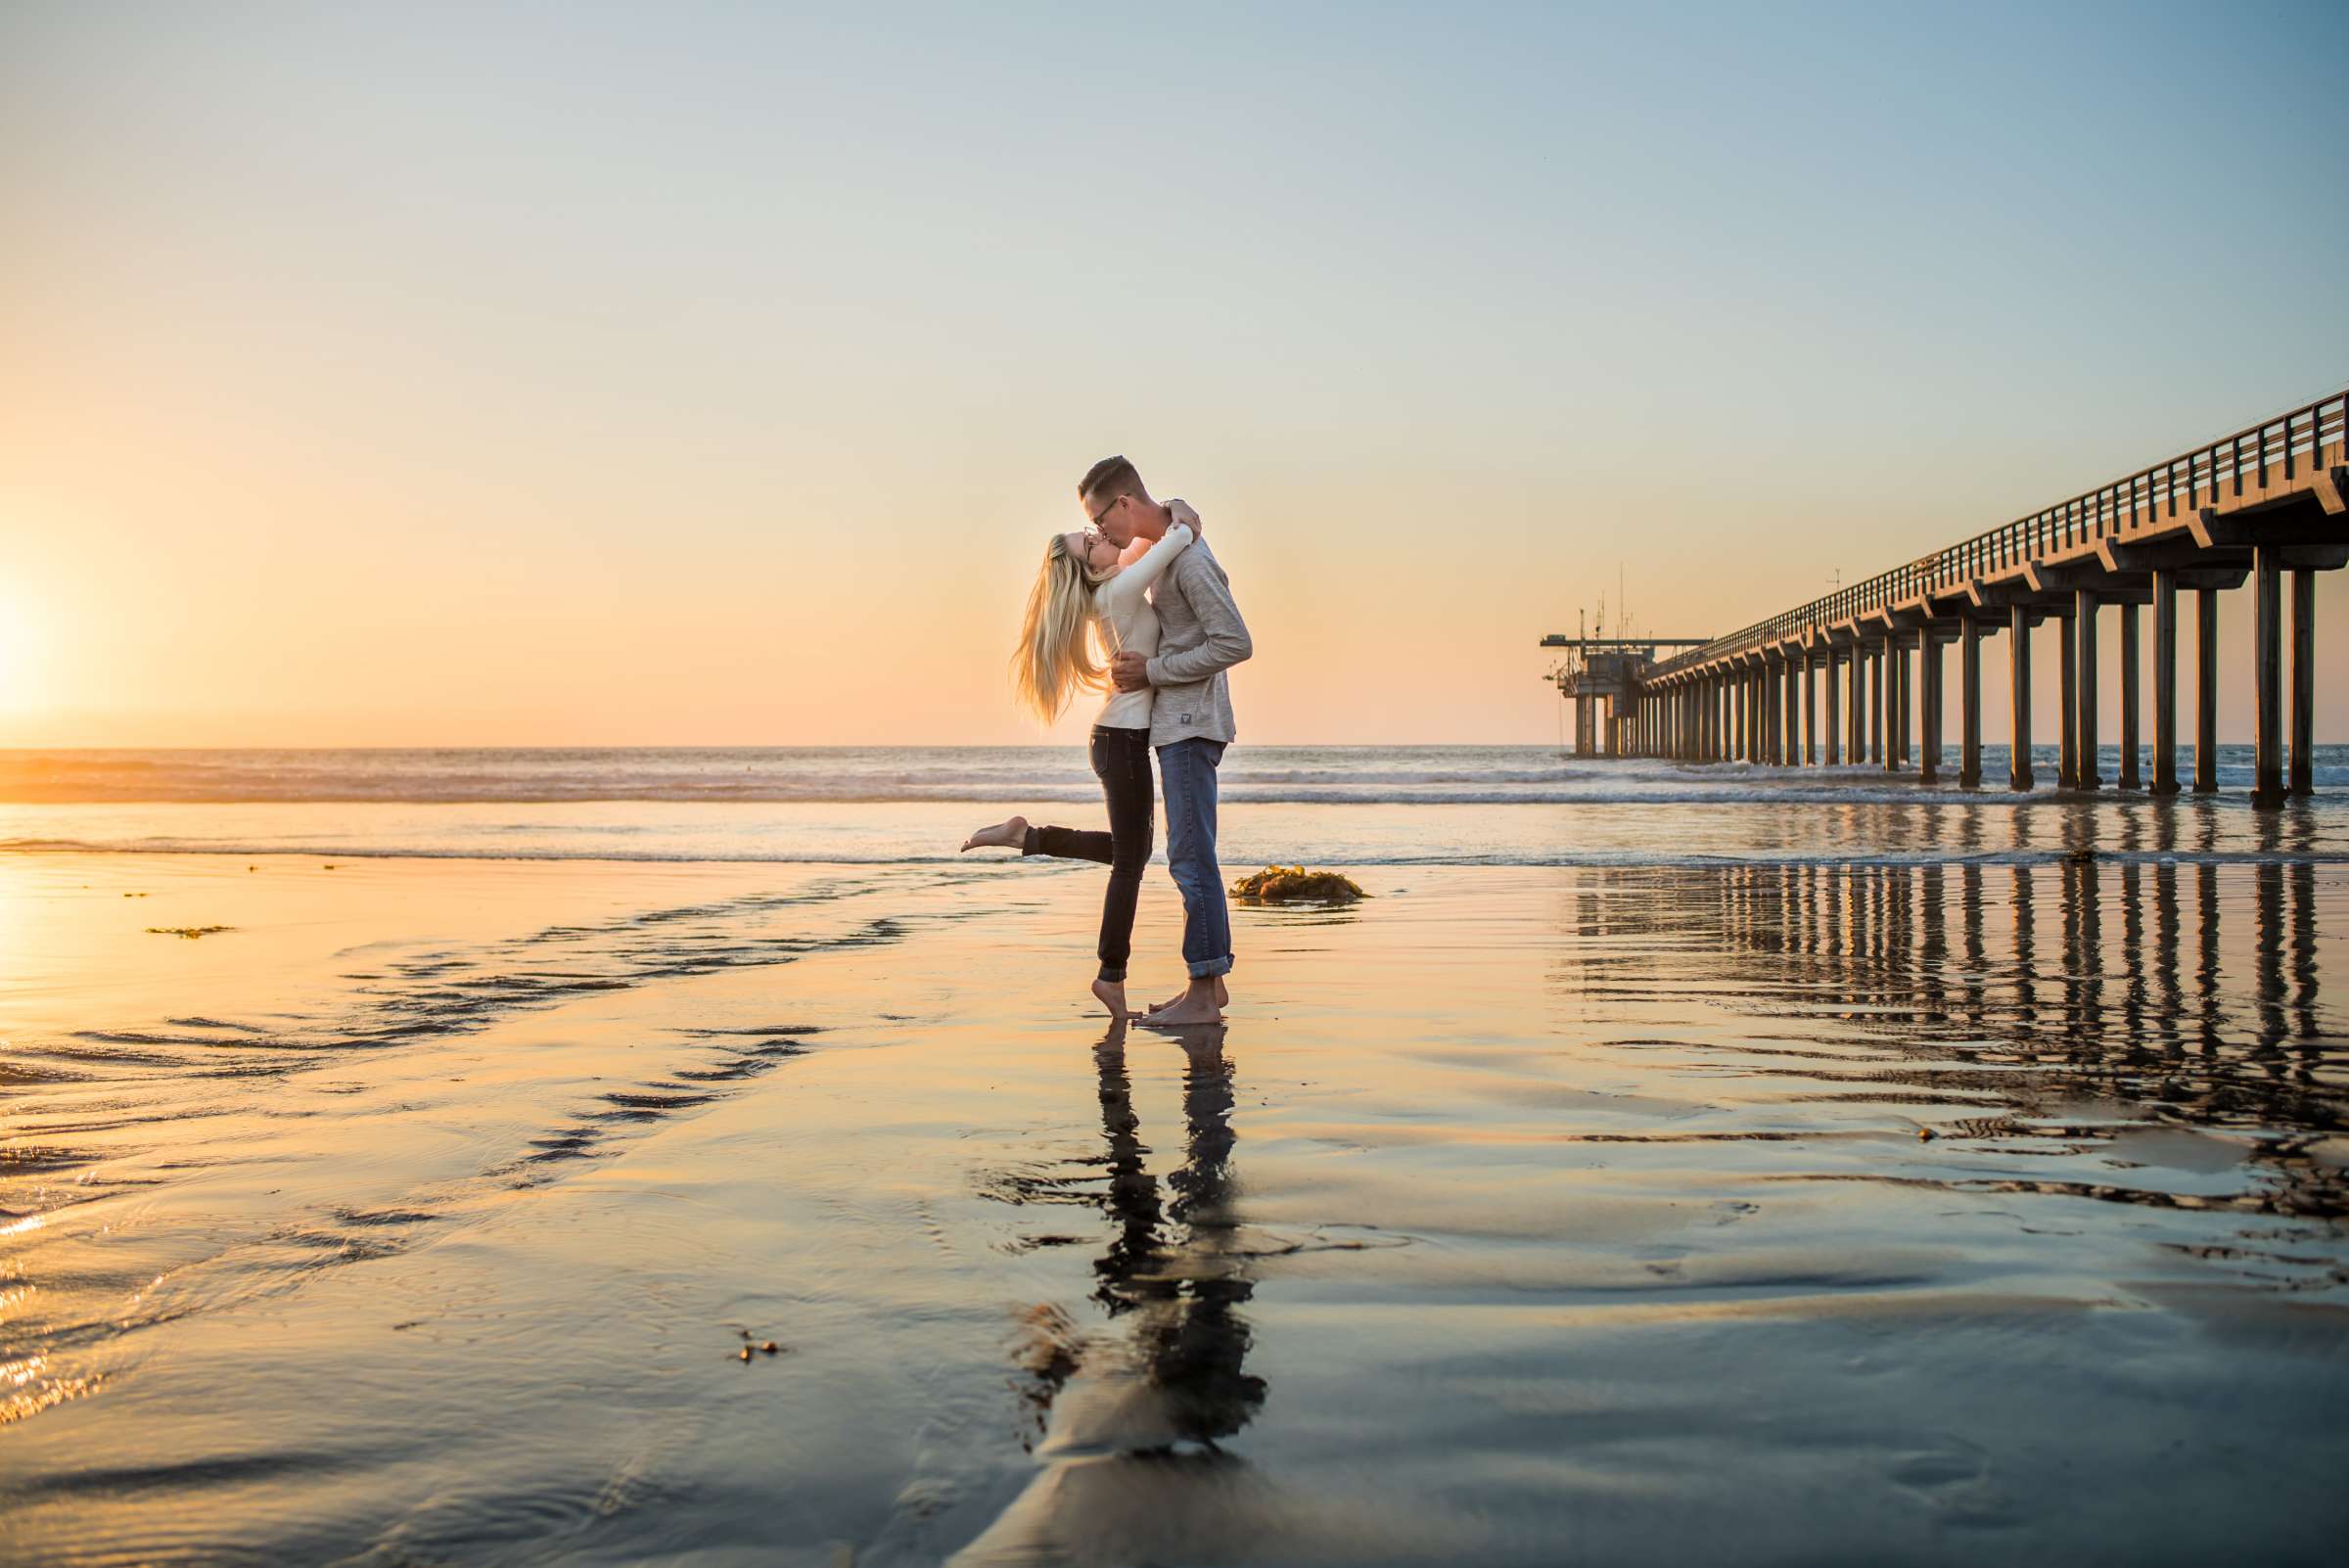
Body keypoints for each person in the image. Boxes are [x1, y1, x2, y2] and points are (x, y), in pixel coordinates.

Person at [959, 496, 1203, 1019]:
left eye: (1089, 533)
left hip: (1119, 739)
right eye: (1087, 543)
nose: (1096, 538)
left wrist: (1154, 514)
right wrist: (1186, 519)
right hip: (1122, 740)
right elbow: (1175, 540)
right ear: (1085, 570)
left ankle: (1028, 837)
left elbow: (1140, 539)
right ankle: (1110, 975)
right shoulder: (1117, 592)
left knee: (1129, 852)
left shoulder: (1114, 584)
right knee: (1131, 863)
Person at [1083, 456, 1253, 1027]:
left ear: (1124, 504)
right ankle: (1204, 986)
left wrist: (1153, 671)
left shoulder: (1191, 564)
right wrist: (1181, 513)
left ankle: (1204, 995)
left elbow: (1235, 642)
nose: (1102, 535)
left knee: (1191, 859)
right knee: (1190, 855)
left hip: (1191, 726)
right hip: (1179, 724)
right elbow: (1168, 523)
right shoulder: (1168, 550)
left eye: (1101, 521)